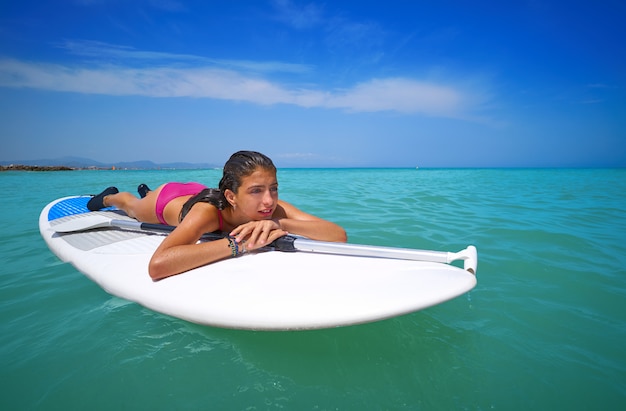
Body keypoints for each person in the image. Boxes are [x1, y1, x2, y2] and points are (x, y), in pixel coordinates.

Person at [87, 150, 347, 280]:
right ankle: (111, 195)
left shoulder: (273, 210)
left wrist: (279, 222)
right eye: (256, 191)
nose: (268, 200)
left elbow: (338, 235)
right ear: (232, 197)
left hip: (200, 190)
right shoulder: (209, 213)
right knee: (132, 206)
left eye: (273, 188)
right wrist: (238, 244)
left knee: (141, 197)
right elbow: (158, 266)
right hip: (167, 202)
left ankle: (145, 190)